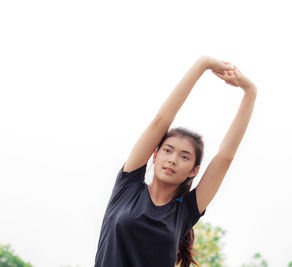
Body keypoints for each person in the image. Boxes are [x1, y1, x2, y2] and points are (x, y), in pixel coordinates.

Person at [93, 55, 257, 267]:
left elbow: (225, 157)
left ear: (193, 170)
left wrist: (250, 92)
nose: (173, 160)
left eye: (184, 157)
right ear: (155, 154)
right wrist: (203, 64)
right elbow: (161, 120)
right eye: (168, 150)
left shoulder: (185, 212)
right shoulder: (128, 187)